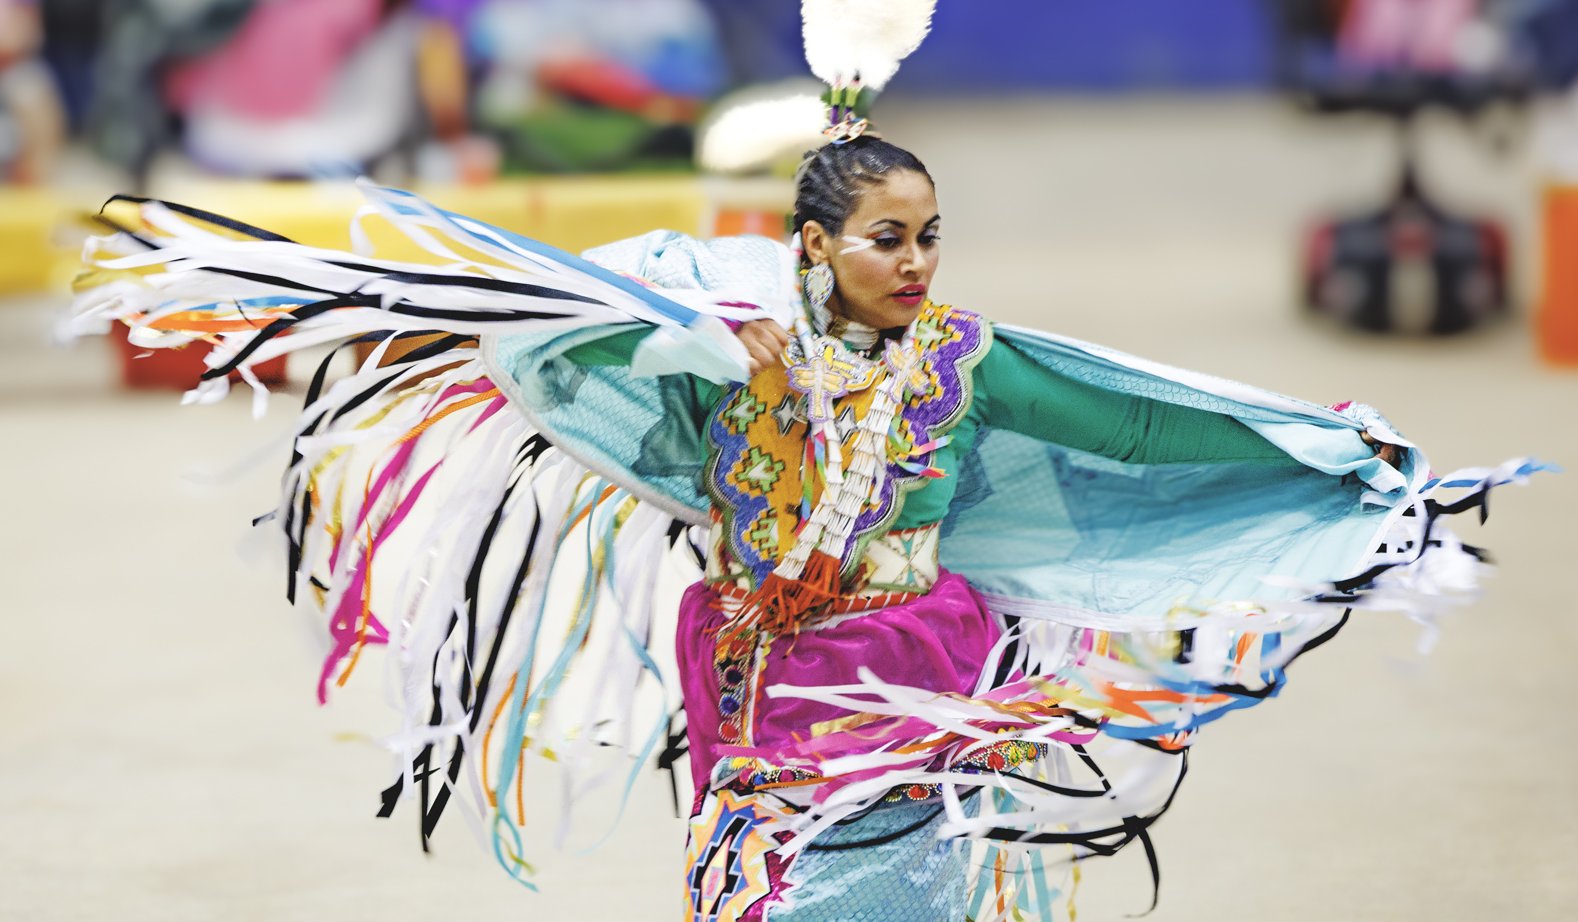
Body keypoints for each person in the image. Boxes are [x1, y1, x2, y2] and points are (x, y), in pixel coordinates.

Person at [70, 3, 1535, 919]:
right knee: (757, 892)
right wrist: (655, 320)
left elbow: (1137, 423)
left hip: (907, 670)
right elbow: (556, 357)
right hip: (757, 674)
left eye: (928, 235)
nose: (914, 261)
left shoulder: (965, 359)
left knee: (889, 889)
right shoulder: (723, 356)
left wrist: (1298, 439)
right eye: (885, 237)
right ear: (814, 246)